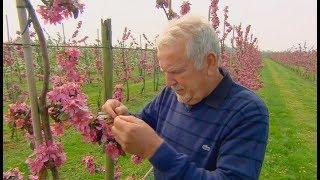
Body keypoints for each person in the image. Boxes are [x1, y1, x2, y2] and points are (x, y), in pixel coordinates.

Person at [102, 13, 269, 179]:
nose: (168, 82)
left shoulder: (247, 111)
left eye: (176, 71)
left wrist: (153, 150)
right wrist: (123, 118)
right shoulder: (170, 94)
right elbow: (145, 123)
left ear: (209, 62)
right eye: (164, 71)